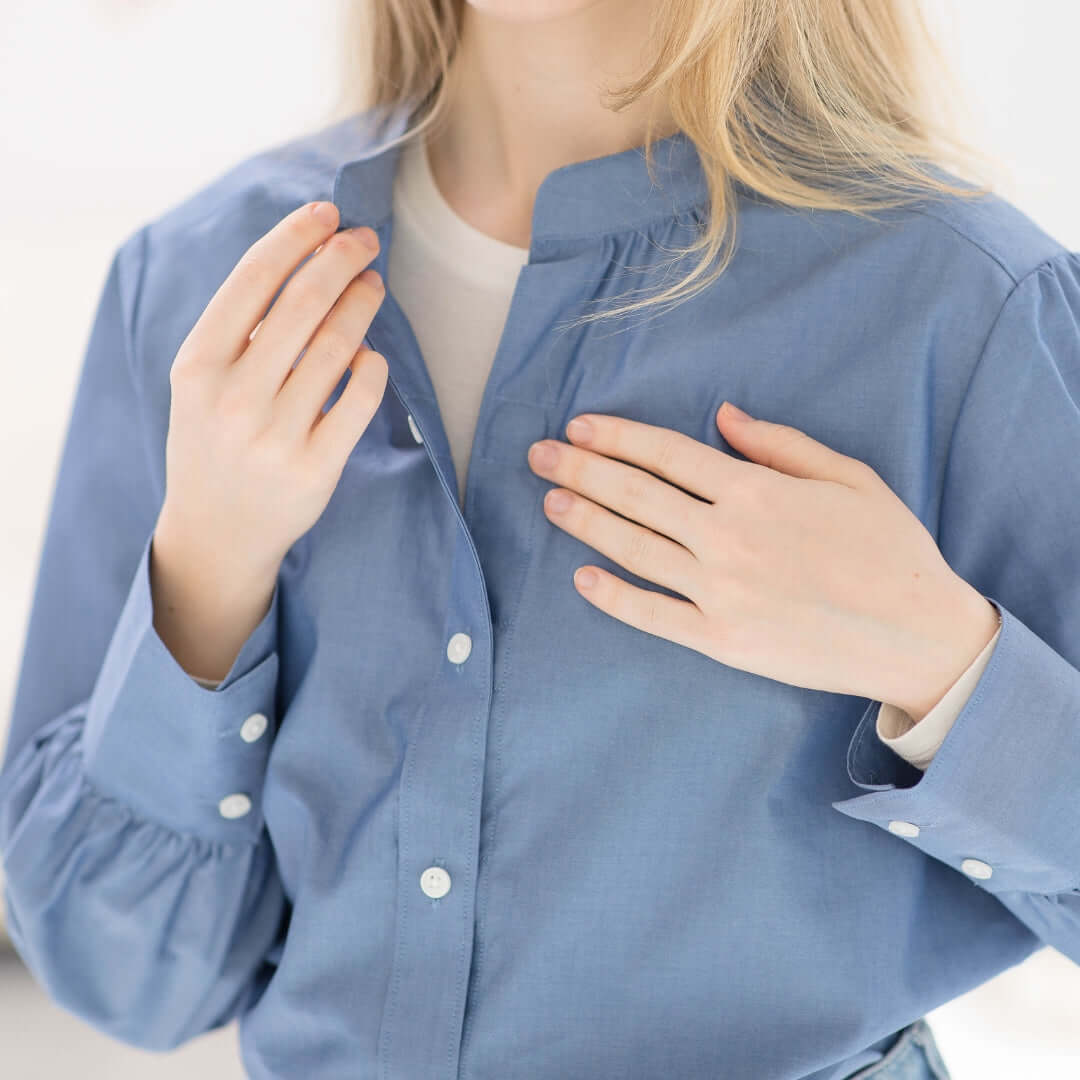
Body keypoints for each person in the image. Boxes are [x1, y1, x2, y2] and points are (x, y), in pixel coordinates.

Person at [1, 0, 1078, 1077]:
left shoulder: (968, 308)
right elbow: (124, 980)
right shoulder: (204, 288)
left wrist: (944, 660)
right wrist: (206, 572)